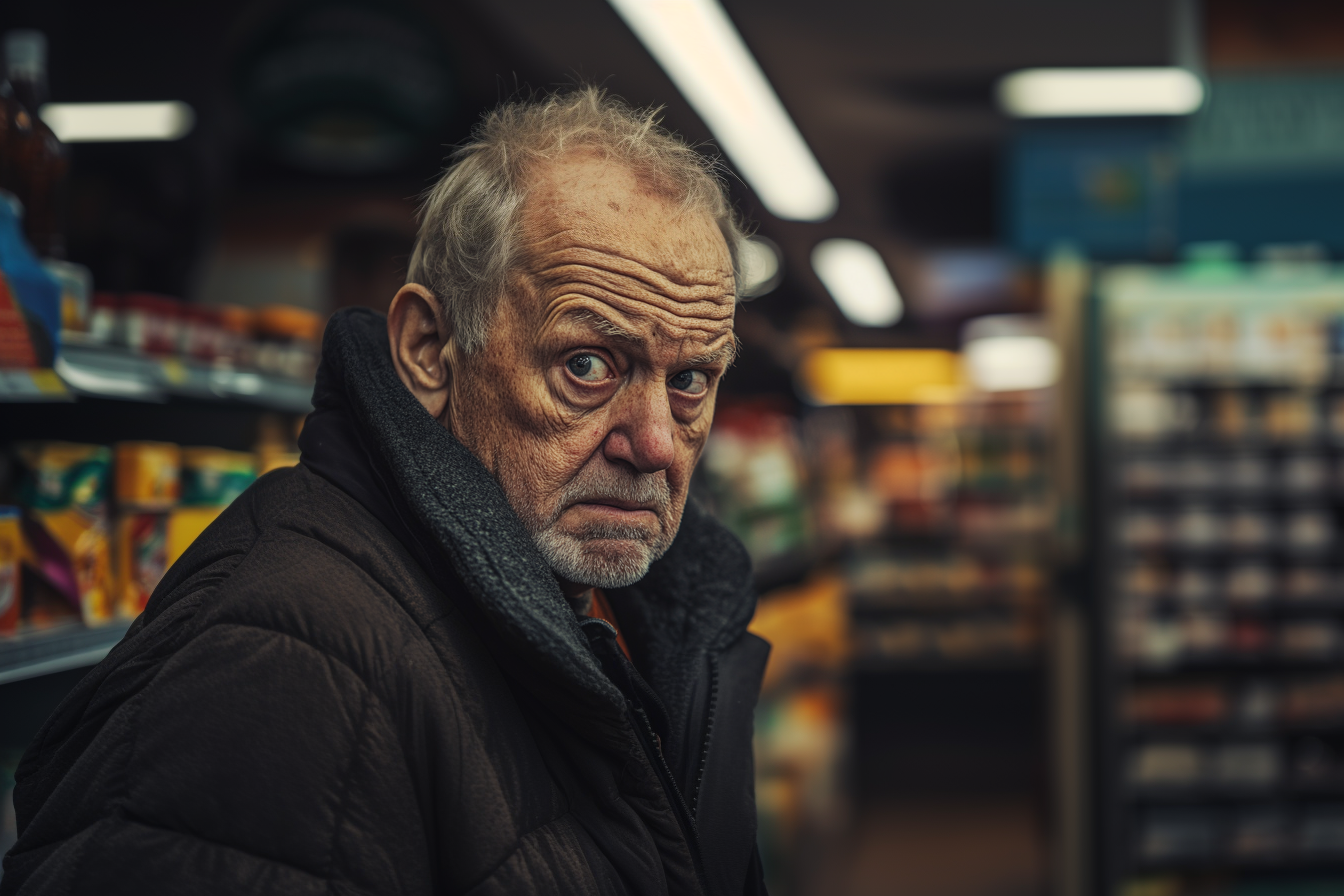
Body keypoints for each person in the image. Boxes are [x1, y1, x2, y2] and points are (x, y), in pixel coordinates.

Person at [1, 88, 769, 896]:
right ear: (430, 351)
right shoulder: (279, 664)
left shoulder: (637, 609)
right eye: (587, 365)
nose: (653, 442)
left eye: (690, 380)